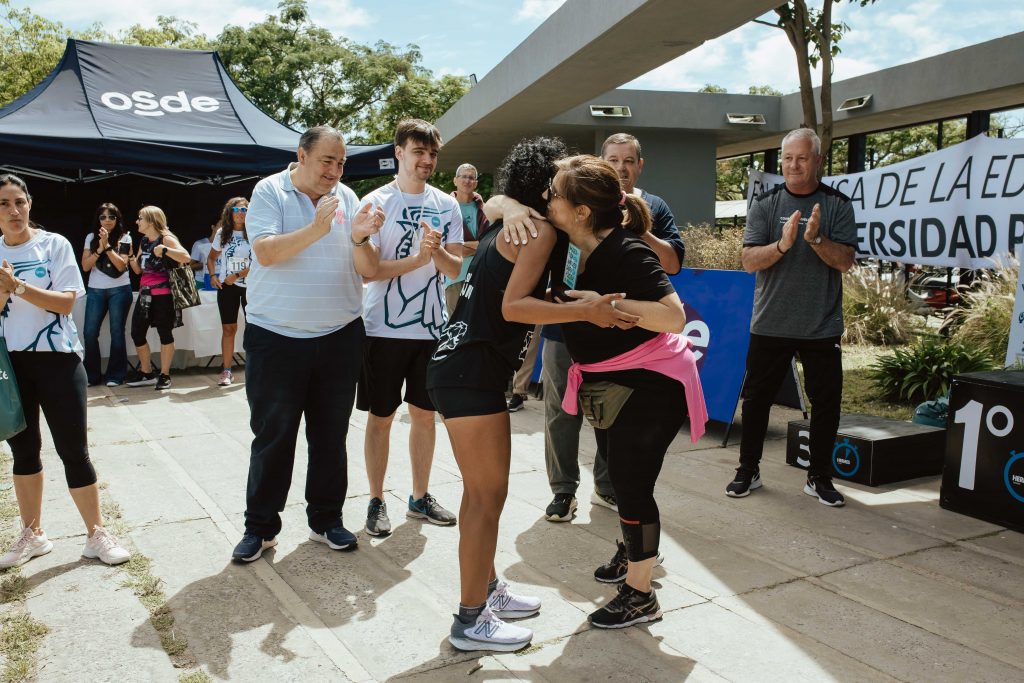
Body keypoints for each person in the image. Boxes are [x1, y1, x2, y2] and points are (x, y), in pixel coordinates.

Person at [426, 138, 639, 652]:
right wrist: (585, 311)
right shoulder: (536, 229)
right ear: (545, 188)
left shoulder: (508, 221)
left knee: (481, 495)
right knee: (486, 498)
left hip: (458, 365)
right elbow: (514, 308)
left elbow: (501, 279)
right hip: (471, 371)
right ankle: (470, 621)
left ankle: (486, 591)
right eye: (560, 180)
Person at [488, 132, 687, 521]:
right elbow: (493, 202)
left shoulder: (628, 238)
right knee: (563, 412)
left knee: (620, 453)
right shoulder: (562, 225)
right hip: (574, 341)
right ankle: (564, 490)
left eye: (627, 160)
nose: (620, 167)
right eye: (612, 159)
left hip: (627, 361)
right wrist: (510, 208)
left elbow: (673, 298)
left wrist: (606, 303)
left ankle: (613, 496)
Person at [544, 154, 706, 629]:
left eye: (555, 193)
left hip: (652, 382)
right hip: (608, 380)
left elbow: (673, 316)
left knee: (632, 484)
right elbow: (499, 206)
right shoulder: (571, 246)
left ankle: (640, 595)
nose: (547, 199)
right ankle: (634, 551)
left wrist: (605, 304)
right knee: (620, 477)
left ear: (581, 211)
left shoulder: (628, 251)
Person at [231, 125, 385, 563]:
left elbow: (369, 269)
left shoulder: (349, 198)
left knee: (331, 436)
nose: (335, 170)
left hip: (338, 336)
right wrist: (318, 228)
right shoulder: (270, 191)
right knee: (273, 436)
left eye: (341, 163)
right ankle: (260, 528)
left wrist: (360, 239)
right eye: (327, 161)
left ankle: (326, 520)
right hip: (276, 338)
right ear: (301, 155)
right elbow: (266, 253)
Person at [0, 173, 131, 569]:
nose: (13, 210)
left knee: (73, 449)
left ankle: (96, 534)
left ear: (30, 204)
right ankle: (33, 533)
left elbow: (65, 303)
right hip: (11, 363)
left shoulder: (53, 244)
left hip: (58, 357)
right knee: (23, 451)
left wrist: (17, 287)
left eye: (19, 201)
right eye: (4, 204)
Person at [725, 127, 856, 506]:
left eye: (802, 158)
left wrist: (816, 240)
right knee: (756, 401)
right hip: (771, 323)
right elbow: (749, 261)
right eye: (787, 158)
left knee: (826, 404)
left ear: (817, 161)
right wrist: (782, 244)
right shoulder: (765, 204)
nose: (793, 165)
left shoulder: (837, 204)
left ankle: (819, 476)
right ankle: (748, 469)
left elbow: (845, 262)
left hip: (821, 326)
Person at [357, 119, 463, 538]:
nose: (427, 160)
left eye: (432, 154)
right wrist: (416, 258)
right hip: (381, 329)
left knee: (424, 415)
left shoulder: (446, 205)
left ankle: (420, 496)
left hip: (431, 329)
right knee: (381, 417)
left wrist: (434, 252)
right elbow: (368, 272)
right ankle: (376, 499)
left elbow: (454, 270)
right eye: (419, 152)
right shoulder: (375, 203)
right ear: (399, 152)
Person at [124, 206, 191, 391]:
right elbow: (138, 270)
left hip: (163, 294)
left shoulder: (166, 238)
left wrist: (165, 249)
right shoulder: (144, 241)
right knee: (137, 332)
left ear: (151, 221)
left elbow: (186, 257)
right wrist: (130, 255)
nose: (137, 221)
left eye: (140, 218)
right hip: (145, 293)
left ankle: (164, 374)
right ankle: (146, 372)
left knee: (165, 333)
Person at [80, 203, 132, 387]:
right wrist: (99, 249)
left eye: (111, 217)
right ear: (98, 219)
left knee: (117, 331)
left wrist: (108, 246)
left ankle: (116, 375)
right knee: (89, 332)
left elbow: (121, 266)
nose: (107, 220)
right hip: (96, 289)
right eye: (103, 217)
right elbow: (85, 266)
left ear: (117, 219)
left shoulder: (125, 237)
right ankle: (92, 375)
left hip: (120, 289)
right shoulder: (91, 237)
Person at [207, 197, 251, 387]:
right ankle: (226, 371)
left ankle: (254, 369)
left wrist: (238, 274)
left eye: (244, 210)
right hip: (227, 286)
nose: (240, 213)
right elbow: (211, 258)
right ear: (230, 212)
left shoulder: (255, 231)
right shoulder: (222, 233)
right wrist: (212, 275)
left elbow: (260, 261)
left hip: (251, 286)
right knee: (228, 328)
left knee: (254, 328)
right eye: (236, 210)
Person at [444, 163, 491, 315]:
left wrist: (463, 246)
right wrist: (478, 246)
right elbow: (450, 249)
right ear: (455, 180)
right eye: (463, 176)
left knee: (478, 322)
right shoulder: (445, 208)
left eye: (471, 178)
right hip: (455, 278)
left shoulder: (484, 209)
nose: (467, 180)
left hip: (480, 276)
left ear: (476, 183)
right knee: (455, 324)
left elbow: (489, 244)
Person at [190, 223, 219, 289]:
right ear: (213, 227)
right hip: (202, 282)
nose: (223, 227)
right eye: (221, 224)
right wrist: (209, 263)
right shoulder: (199, 244)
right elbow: (191, 266)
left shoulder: (227, 245)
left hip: (220, 281)